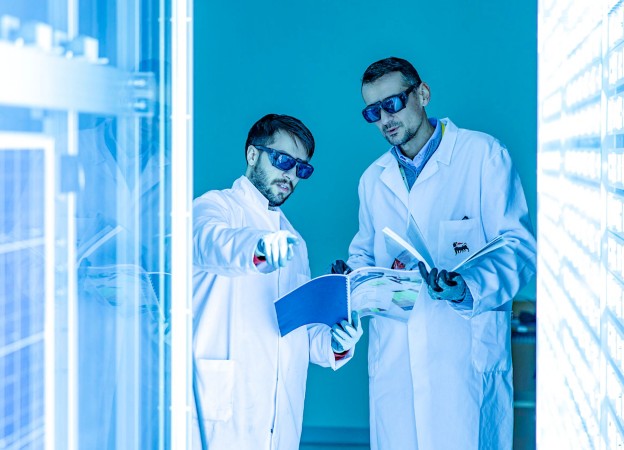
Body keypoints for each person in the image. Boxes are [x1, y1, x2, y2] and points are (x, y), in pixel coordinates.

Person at [340, 57, 537, 449]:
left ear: (423, 94)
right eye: (372, 111)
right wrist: (353, 276)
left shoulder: (483, 156)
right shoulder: (373, 180)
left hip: (463, 364)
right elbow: (364, 253)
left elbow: (518, 248)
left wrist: (467, 286)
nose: (384, 119)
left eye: (393, 103)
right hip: (395, 366)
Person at [192, 113, 363, 450]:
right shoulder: (216, 206)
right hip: (221, 415)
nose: (290, 175)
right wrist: (257, 249)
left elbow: (297, 334)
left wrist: (337, 342)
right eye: (282, 160)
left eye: (301, 168)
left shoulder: (294, 241)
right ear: (252, 155)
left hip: (277, 420)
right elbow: (210, 242)